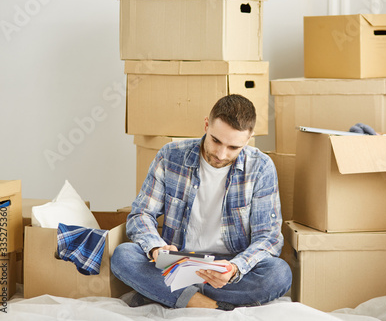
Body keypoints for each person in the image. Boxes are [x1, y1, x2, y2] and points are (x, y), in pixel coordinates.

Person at [111, 94, 292, 310]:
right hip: (178, 262)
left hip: (228, 267)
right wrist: (156, 247)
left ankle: (168, 294)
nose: (221, 154)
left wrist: (235, 268)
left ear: (249, 138)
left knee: (279, 273)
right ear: (206, 124)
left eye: (233, 147)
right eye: (216, 140)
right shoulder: (170, 156)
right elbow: (141, 214)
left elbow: (269, 237)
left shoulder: (261, 167)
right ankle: (208, 305)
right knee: (123, 255)